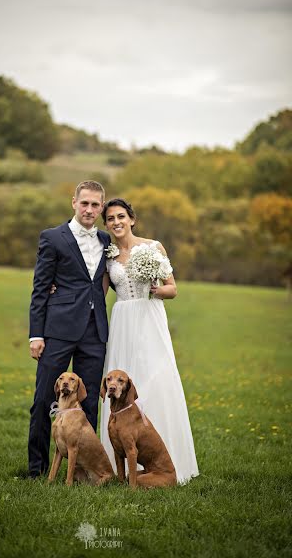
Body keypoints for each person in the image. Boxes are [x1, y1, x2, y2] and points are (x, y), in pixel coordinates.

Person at [100, 198, 199, 484]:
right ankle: (122, 464)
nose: (116, 222)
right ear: (106, 224)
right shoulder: (108, 255)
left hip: (149, 318)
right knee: (122, 385)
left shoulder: (153, 248)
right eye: (110, 219)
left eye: (121, 216)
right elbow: (98, 292)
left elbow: (173, 289)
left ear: (132, 219)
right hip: (122, 321)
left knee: (156, 381)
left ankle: (164, 461)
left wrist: (154, 290)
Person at [27, 181, 111, 479]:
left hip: (94, 333)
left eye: (95, 205)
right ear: (73, 202)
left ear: (101, 208)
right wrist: (36, 334)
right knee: (43, 401)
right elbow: (40, 289)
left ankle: (81, 472)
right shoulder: (53, 238)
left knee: (87, 402)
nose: (89, 209)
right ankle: (36, 469)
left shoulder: (106, 240)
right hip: (58, 331)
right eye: (84, 203)